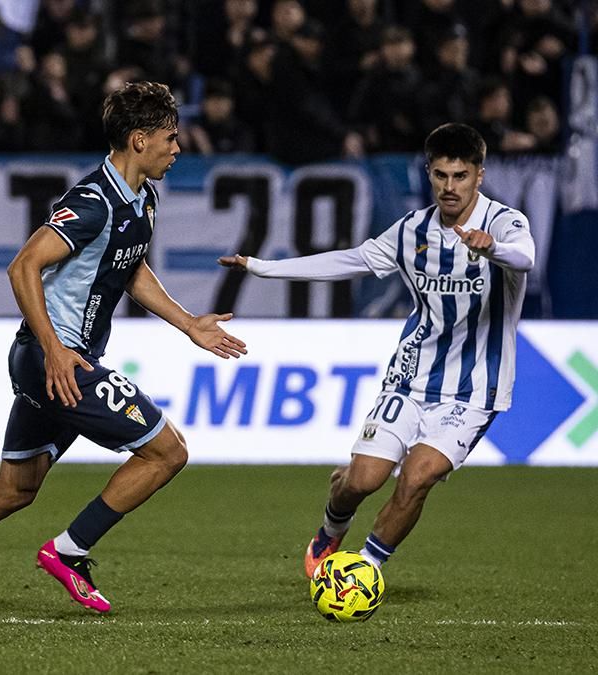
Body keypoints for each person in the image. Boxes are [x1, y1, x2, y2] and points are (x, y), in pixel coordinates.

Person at [0, 82, 247, 617]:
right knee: (167, 452)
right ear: (138, 139)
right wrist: (54, 349)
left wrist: (189, 323)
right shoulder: (92, 201)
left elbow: (129, 268)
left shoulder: (142, 197)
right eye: (170, 138)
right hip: (55, 360)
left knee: (14, 488)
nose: (178, 148)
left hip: (60, 361)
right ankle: (69, 551)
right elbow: (22, 265)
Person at [218, 123, 534, 575]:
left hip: (473, 392)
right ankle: (331, 529)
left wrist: (496, 248)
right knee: (361, 481)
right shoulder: (411, 231)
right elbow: (349, 261)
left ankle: (361, 570)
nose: (450, 187)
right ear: (429, 173)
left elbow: (526, 257)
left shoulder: (506, 223)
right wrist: (264, 268)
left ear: (479, 175)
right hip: (410, 379)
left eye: (460, 176)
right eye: (441, 175)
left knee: (417, 478)